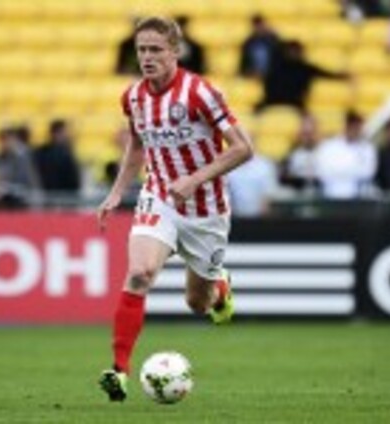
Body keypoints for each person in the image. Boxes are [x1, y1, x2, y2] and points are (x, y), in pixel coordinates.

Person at [96, 17, 253, 402]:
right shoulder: (133, 97)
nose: (147, 57)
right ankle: (119, 372)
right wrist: (116, 192)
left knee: (197, 303)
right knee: (139, 273)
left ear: (175, 52)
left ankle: (219, 288)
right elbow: (137, 146)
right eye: (141, 50)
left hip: (206, 209)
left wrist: (195, 179)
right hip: (160, 196)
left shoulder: (200, 93)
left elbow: (243, 148)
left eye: (155, 49)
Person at [257, 40, 350, 112]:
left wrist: (340, 76)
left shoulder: (305, 68)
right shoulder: (275, 68)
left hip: (295, 103)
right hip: (273, 101)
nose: (293, 54)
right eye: (291, 51)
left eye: (295, 51)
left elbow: (324, 73)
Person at [315, 111, 377, 199]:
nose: (354, 130)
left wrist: (340, 169)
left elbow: (368, 172)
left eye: (357, 127)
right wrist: (353, 169)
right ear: (346, 126)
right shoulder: (329, 146)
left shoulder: (367, 148)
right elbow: (323, 172)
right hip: (330, 194)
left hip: (358, 197)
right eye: (352, 126)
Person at [227, 140, 279, 217]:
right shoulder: (229, 165)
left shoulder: (265, 165)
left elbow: (269, 194)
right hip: (234, 216)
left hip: (260, 216)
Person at [34, 119, 81, 197]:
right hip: (51, 195)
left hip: (66, 195)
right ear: (55, 133)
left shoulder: (67, 151)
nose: (66, 135)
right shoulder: (43, 152)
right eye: (64, 132)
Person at [0, 125, 41, 201]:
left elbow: (30, 177)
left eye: (7, 139)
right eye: (2, 140)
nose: (4, 143)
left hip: (25, 196)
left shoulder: (24, 155)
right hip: (8, 198)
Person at [280, 114, 321, 191]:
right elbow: (284, 177)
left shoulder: (326, 153)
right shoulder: (291, 154)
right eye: (304, 133)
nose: (307, 138)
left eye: (310, 133)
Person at [238, 14, 280, 79]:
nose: (259, 28)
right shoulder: (249, 43)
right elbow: (244, 63)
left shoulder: (273, 40)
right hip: (254, 74)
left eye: (260, 25)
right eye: (256, 26)